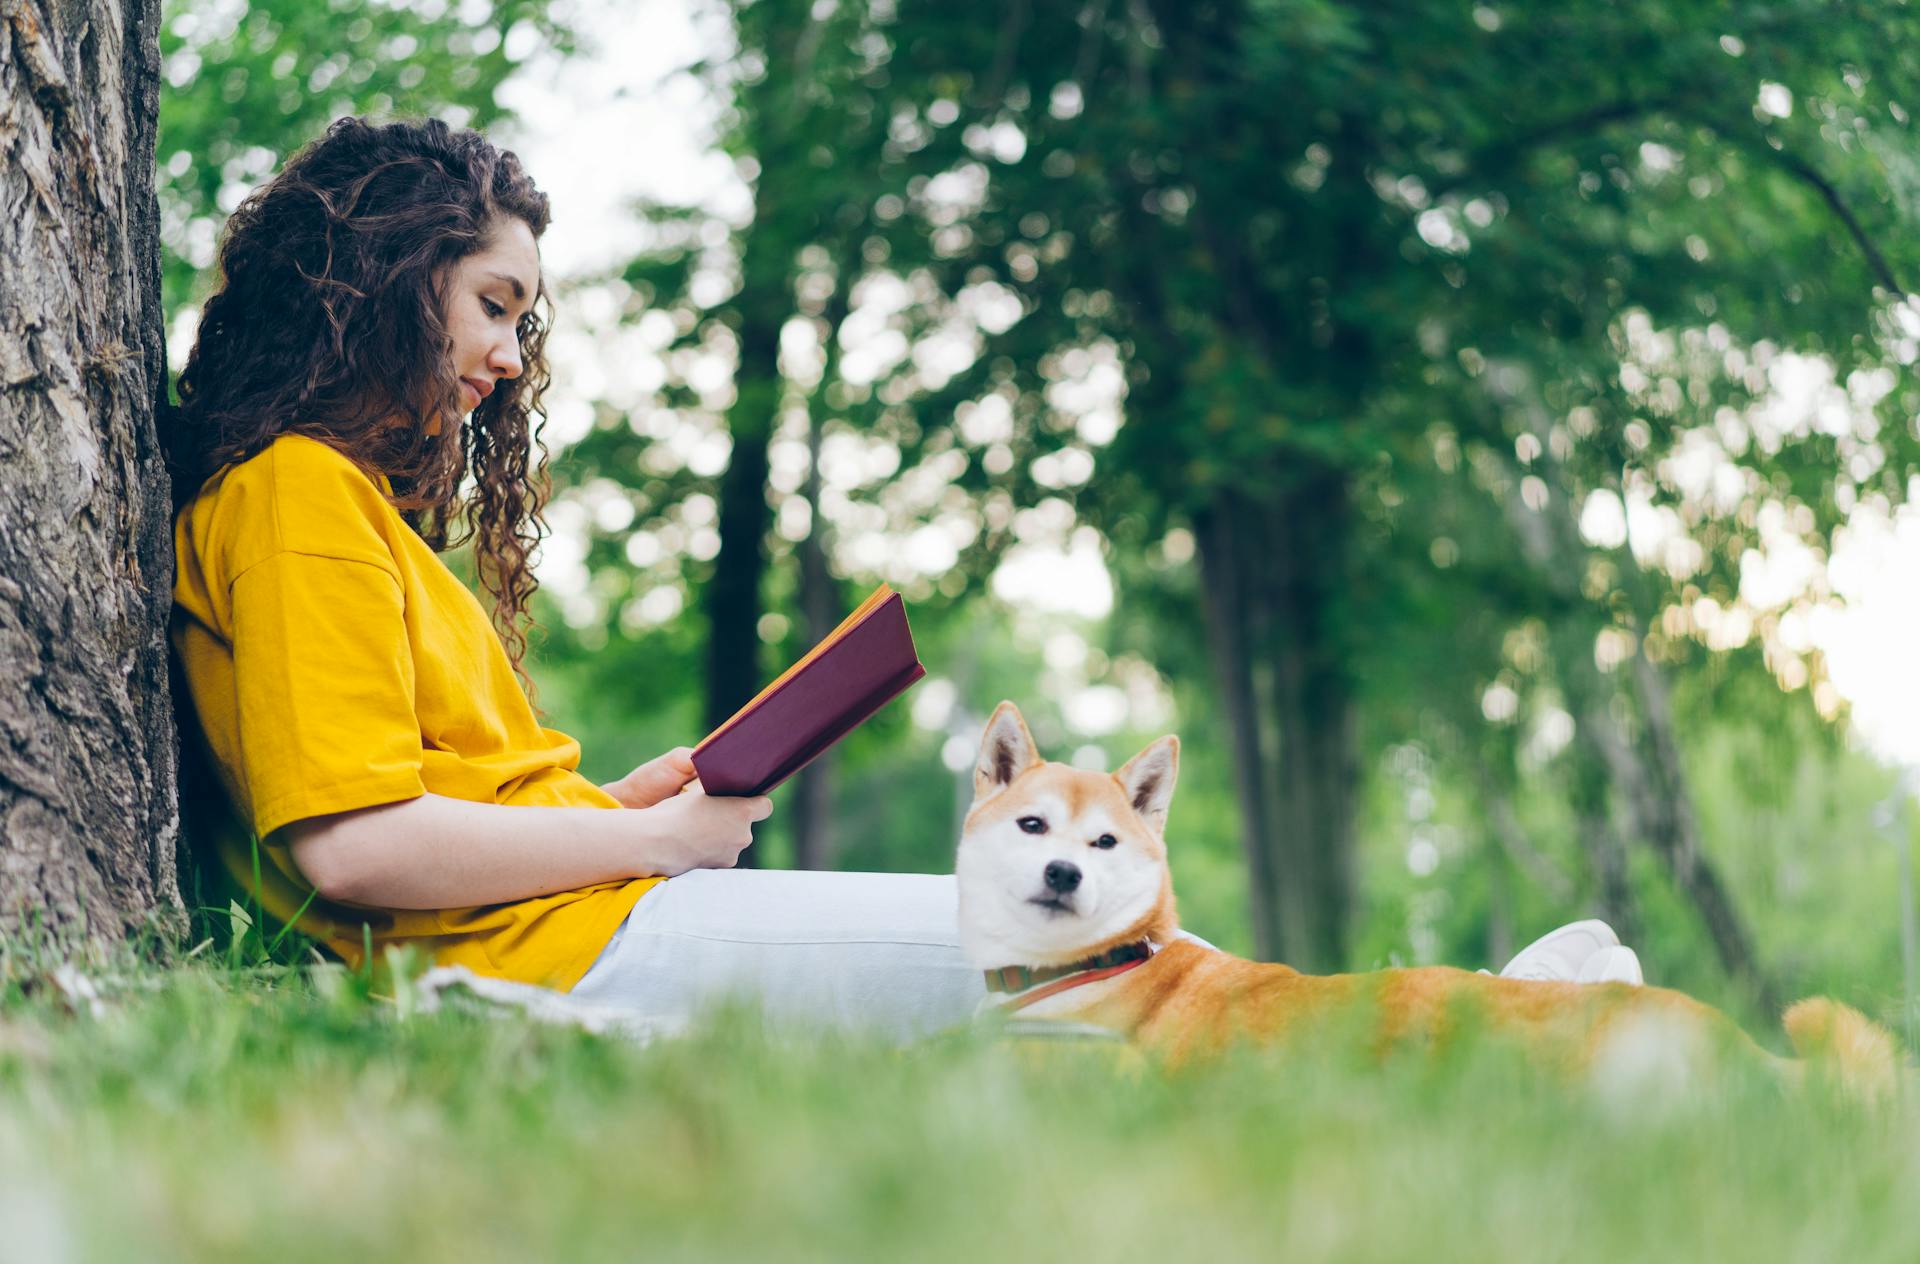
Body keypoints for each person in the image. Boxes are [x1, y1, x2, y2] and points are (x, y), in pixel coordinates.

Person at [167, 117, 1636, 1044]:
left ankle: (1528, 1024)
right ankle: (1535, 1037)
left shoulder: (350, 513)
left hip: (585, 915)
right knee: (1119, 981)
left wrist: (622, 805)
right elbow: (352, 852)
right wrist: (657, 847)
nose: (508, 359)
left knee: (1137, 974)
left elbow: (429, 799)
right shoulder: (297, 496)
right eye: (495, 304)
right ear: (381, 277)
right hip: (557, 958)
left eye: (522, 320)